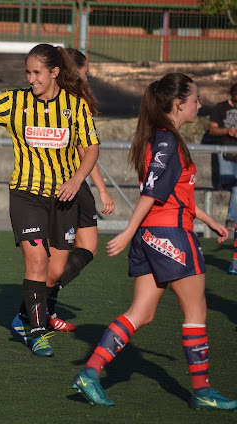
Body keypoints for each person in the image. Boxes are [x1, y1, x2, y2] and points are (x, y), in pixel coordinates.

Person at [72, 73, 237, 411]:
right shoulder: (167, 140)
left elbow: (174, 194)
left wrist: (207, 220)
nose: (199, 104)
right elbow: (151, 193)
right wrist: (128, 230)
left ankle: (90, 373)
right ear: (179, 104)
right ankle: (203, 391)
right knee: (196, 311)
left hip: (153, 234)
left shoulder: (161, 137)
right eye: (195, 99)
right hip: (170, 235)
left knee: (141, 313)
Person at [0, 44, 100, 357]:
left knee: (54, 272)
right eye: (27, 72)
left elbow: (90, 147)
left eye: (36, 72)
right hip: (26, 195)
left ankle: (25, 316)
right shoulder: (16, 102)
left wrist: (77, 180)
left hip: (63, 198)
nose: (31, 78)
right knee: (37, 261)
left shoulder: (74, 106)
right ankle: (37, 333)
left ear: (54, 72)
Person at [45, 48, 115, 332]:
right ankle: (33, 308)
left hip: (79, 183)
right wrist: (102, 189)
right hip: (67, 185)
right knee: (59, 256)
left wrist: (99, 188)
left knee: (87, 248)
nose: (89, 74)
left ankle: (44, 304)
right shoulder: (70, 103)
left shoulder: (74, 102)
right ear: (76, 71)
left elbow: (87, 152)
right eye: (86, 70)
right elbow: (84, 149)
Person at [208, 83, 237, 273]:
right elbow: (212, 129)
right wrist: (228, 131)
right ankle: (232, 219)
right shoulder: (220, 108)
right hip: (227, 153)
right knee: (235, 186)